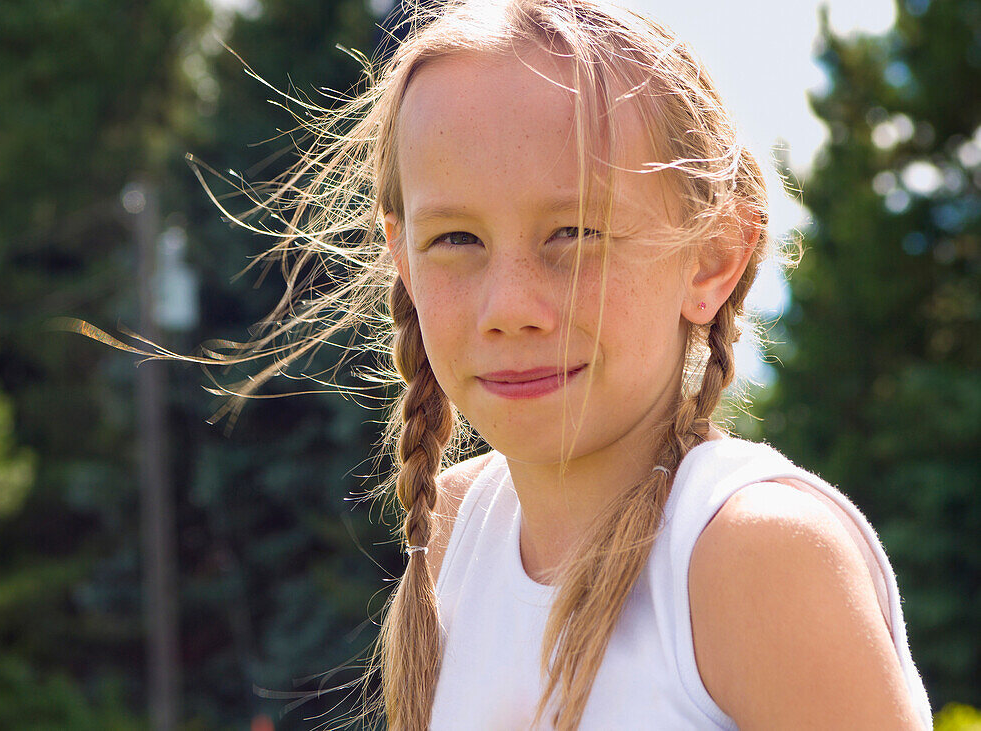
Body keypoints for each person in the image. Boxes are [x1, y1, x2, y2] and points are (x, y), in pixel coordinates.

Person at [65, 0, 933, 728]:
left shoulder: (753, 555)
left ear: (713, 258)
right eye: (457, 240)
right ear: (403, 257)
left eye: (574, 233)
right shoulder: (454, 534)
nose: (511, 305)